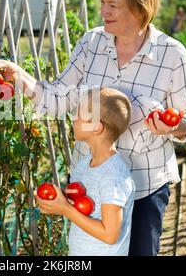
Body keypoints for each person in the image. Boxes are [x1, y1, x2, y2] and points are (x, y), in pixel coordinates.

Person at [0, 0, 186, 256]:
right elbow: (60, 97)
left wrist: (172, 127)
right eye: (102, 3)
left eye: (112, 5)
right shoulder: (92, 43)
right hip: (92, 185)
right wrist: (20, 77)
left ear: (140, 9)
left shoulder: (171, 55)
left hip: (144, 187)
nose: (103, 11)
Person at [35, 88, 135, 256]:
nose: (73, 119)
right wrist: (61, 200)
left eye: (78, 114)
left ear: (96, 127)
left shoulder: (114, 175)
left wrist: (67, 210)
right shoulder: (83, 165)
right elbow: (84, 208)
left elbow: (110, 235)